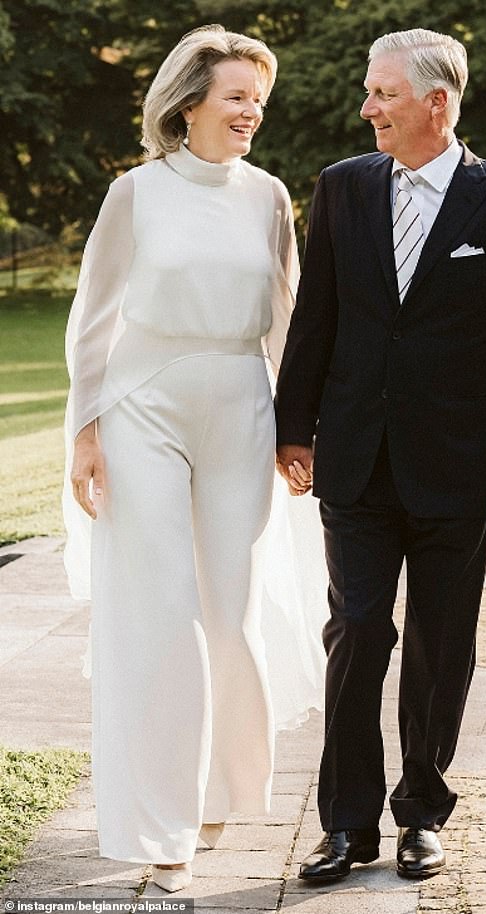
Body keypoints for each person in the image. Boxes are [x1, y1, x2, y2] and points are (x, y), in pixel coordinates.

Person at [275, 27, 486, 882]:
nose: (367, 108)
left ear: (437, 103)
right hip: (354, 457)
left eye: (384, 95)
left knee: (442, 642)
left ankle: (421, 814)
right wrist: (294, 428)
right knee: (358, 630)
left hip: (459, 462)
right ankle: (347, 825)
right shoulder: (341, 189)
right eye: (369, 93)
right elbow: (315, 319)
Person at [62, 25, 326, 893]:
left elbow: (288, 321)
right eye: (237, 95)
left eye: (259, 97)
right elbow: (94, 320)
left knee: (231, 609)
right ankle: (161, 826)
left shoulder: (267, 195)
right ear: (189, 103)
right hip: (144, 407)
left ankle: (217, 791)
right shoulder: (135, 195)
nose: (252, 110)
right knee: (161, 608)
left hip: (242, 409)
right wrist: (85, 428)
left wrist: (299, 428)